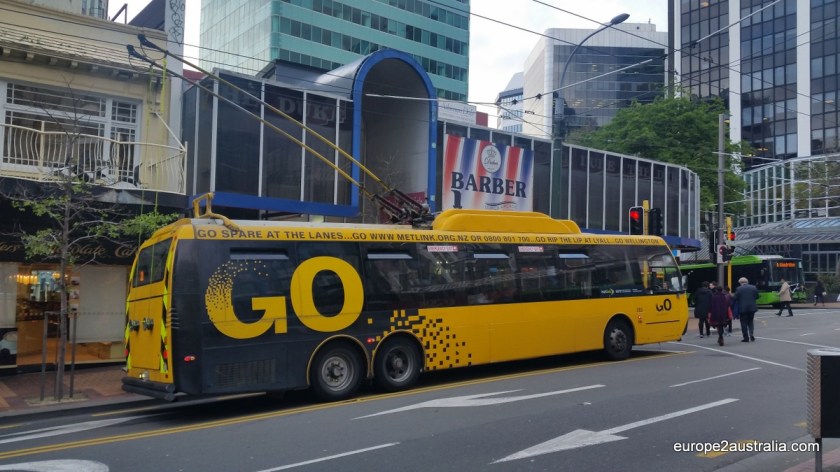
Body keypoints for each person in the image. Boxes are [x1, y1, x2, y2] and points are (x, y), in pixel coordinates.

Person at [734, 277, 759, 342]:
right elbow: (757, 296)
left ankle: (746, 337)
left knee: (743, 323)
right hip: (752, 308)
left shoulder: (739, 289)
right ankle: (751, 334)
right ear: (747, 282)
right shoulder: (753, 287)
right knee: (751, 321)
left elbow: (735, 298)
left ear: (740, 283)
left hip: (743, 308)